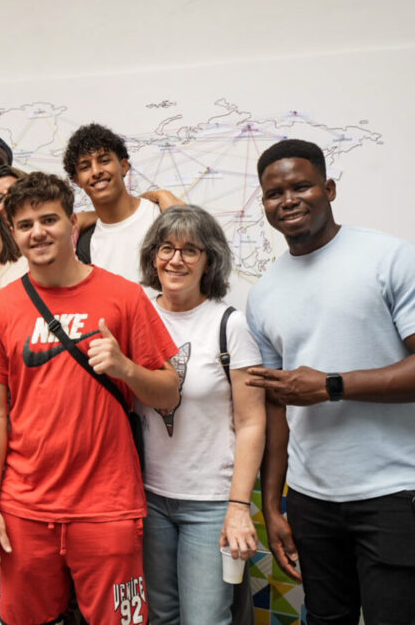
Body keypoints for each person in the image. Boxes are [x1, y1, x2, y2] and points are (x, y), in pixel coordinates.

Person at [245, 139, 415, 625]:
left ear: (330, 188)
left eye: (302, 186)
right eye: (275, 193)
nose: (289, 199)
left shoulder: (390, 258)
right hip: (312, 499)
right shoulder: (265, 293)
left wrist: (333, 385)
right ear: (264, 204)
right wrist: (275, 505)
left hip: (396, 493)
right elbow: (277, 406)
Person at [0, 172, 180, 625]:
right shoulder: (0, 309)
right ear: (13, 233)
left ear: (73, 225)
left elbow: (169, 391)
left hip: (108, 507)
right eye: (25, 225)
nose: (38, 232)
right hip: (24, 507)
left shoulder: (124, 297)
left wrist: (125, 367)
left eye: (49, 220)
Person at [136, 205, 265, 624]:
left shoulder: (229, 324)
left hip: (210, 504)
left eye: (191, 250)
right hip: (148, 498)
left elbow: (251, 423)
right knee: (160, 618)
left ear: (209, 259)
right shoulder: (136, 317)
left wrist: (239, 506)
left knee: (205, 620)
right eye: (167, 248)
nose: (176, 259)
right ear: (153, 256)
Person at [68, 123, 182, 283]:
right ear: (77, 180)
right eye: (85, 167)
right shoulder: (85, 244)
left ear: (123, 166)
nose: (96, 172)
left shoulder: (162, 214)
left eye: (104, 160)